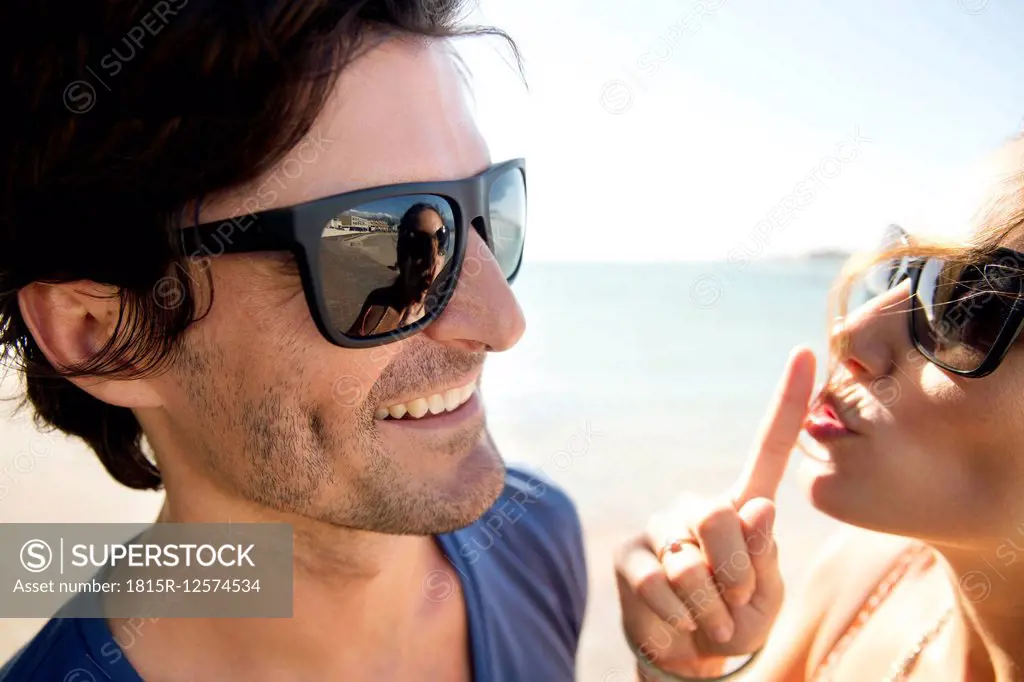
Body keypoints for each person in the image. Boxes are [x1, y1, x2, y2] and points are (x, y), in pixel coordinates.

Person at [0, 2, 583, 681]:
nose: (504, 322)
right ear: (104, 332)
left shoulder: (537, 541)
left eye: (486, 212)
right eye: (381, 246)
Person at [615, 135, 1024, 680]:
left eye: (968, 303)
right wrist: (684, 664)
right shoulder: (865, 582)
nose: (849, 333)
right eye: (898, 271)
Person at [347, 203, 451, 336]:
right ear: (402, 252)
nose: (433, 257)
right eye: (421, 244)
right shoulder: (378, 303)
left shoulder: (444, 312)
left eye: (441, 242)